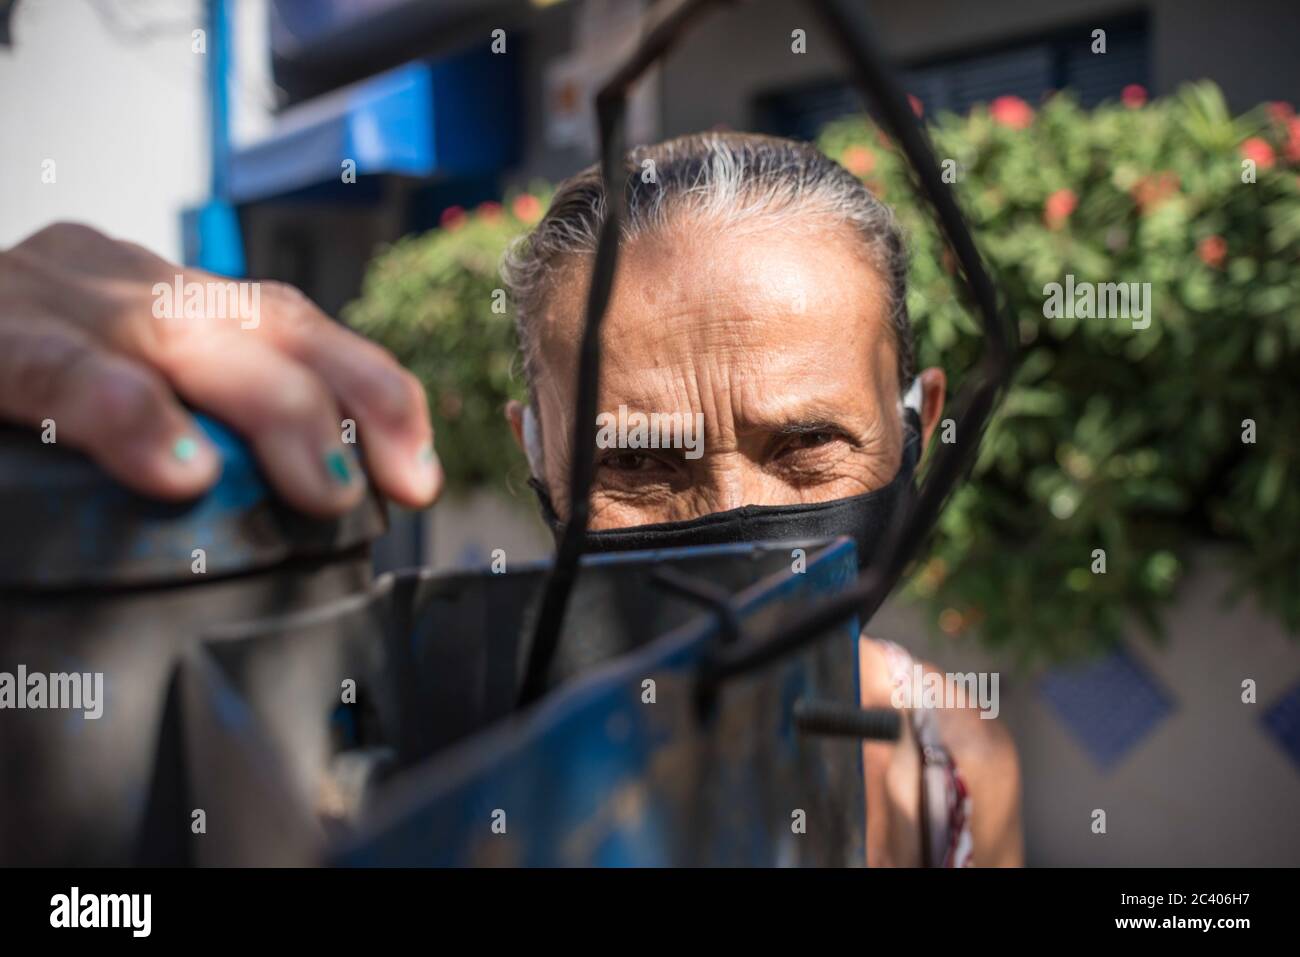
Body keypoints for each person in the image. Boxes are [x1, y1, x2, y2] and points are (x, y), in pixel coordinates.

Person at [0, 131, 1021, 866]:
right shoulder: (437, 760)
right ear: (538, 454)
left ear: (914, 429)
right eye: (636, 466)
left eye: (805, 446)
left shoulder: (951, 760)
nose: (732, 515)